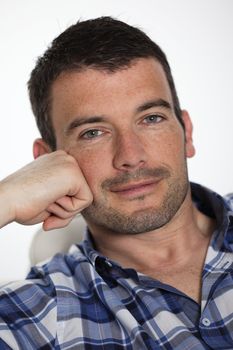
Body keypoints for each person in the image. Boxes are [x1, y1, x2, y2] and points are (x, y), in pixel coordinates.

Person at [0, 16, 232, 350]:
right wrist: (7, 197)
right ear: (47, 162)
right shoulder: (41, 313)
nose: (131, 156)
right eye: (93, 133)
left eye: (151, 118)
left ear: (187, 132)